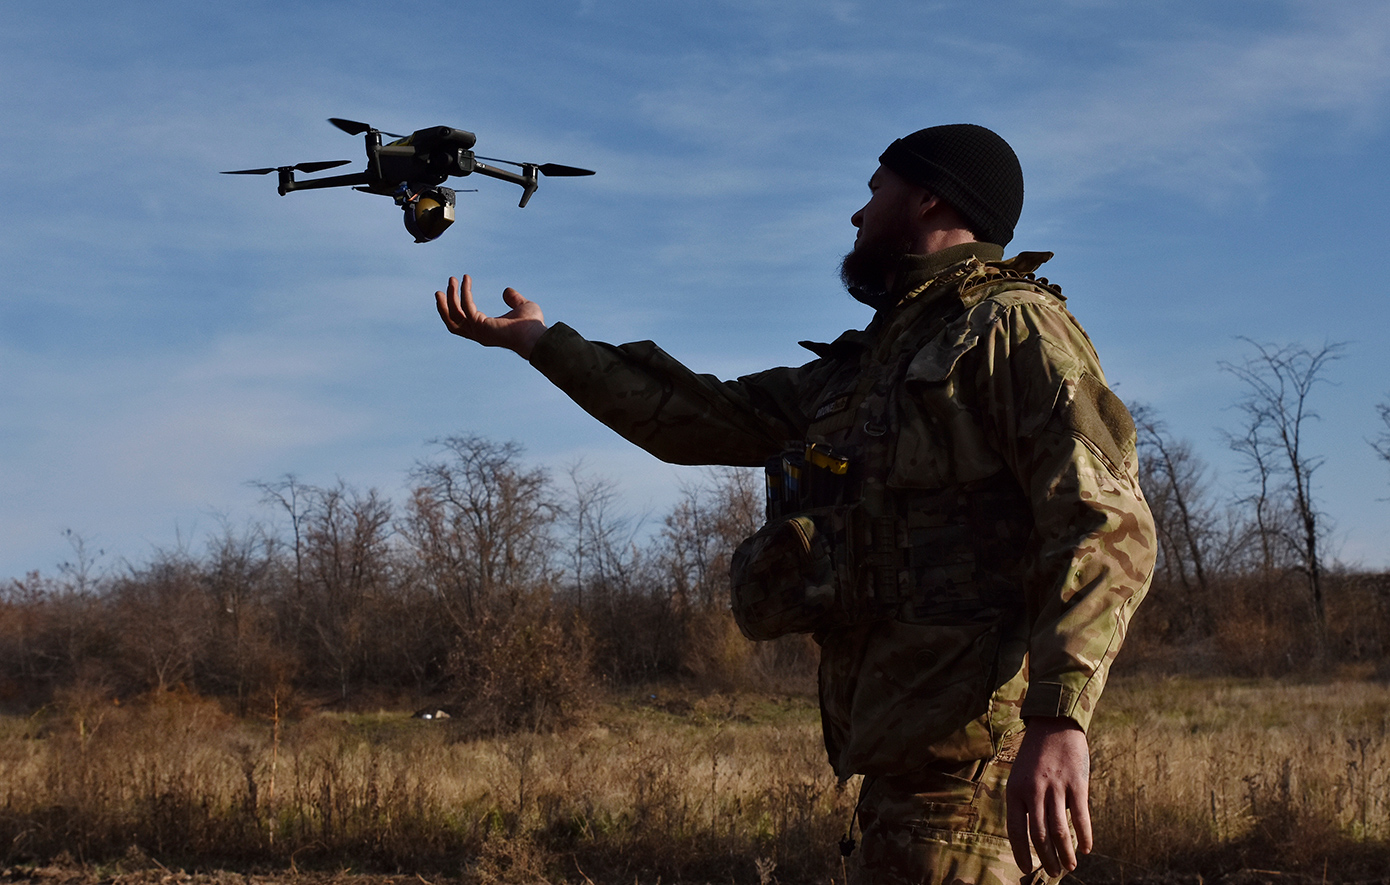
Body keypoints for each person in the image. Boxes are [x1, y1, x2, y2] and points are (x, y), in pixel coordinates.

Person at [434, 123, 1155, 885]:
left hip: (970, 774)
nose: (856, 215)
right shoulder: (868, 363)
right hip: (898, 770)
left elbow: (1107, 522)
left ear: (930, 195)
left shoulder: (1011, 326)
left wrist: (1057, 717)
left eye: (874, 191)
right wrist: (544, 344)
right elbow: (692, 413)